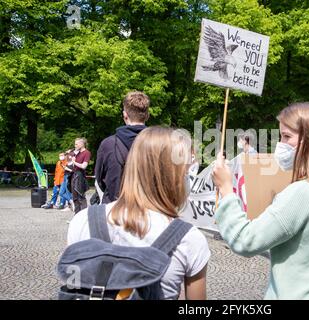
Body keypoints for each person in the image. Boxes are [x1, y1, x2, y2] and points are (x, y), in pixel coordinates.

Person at [212, 102, 309, 299]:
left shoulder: (302, 193)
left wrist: (226, 188)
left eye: (287, 136)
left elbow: (245, 240)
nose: (280, 144)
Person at [67, 126, 210, 300]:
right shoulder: (189, 240)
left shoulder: (83, 220)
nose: (189, 178)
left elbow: (73, 288)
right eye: (187, 171)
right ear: (174, 176)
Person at [95, 91, 149, 204]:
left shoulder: (108, 144)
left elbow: (100, 181)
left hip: (114, 211)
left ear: (125, 115)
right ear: (147, 116)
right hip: (150, 211)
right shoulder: (161, 144)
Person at [71, 138, 91, 214]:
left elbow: (84, 166)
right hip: (74, 175)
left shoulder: (87, 153)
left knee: (81, 197)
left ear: (82, 144)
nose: (75, 145)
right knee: (75, 198)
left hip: (80, 176)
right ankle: (76, 218)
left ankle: (84, 217)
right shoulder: (77, 153)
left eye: (76, 144)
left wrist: (74, 162)